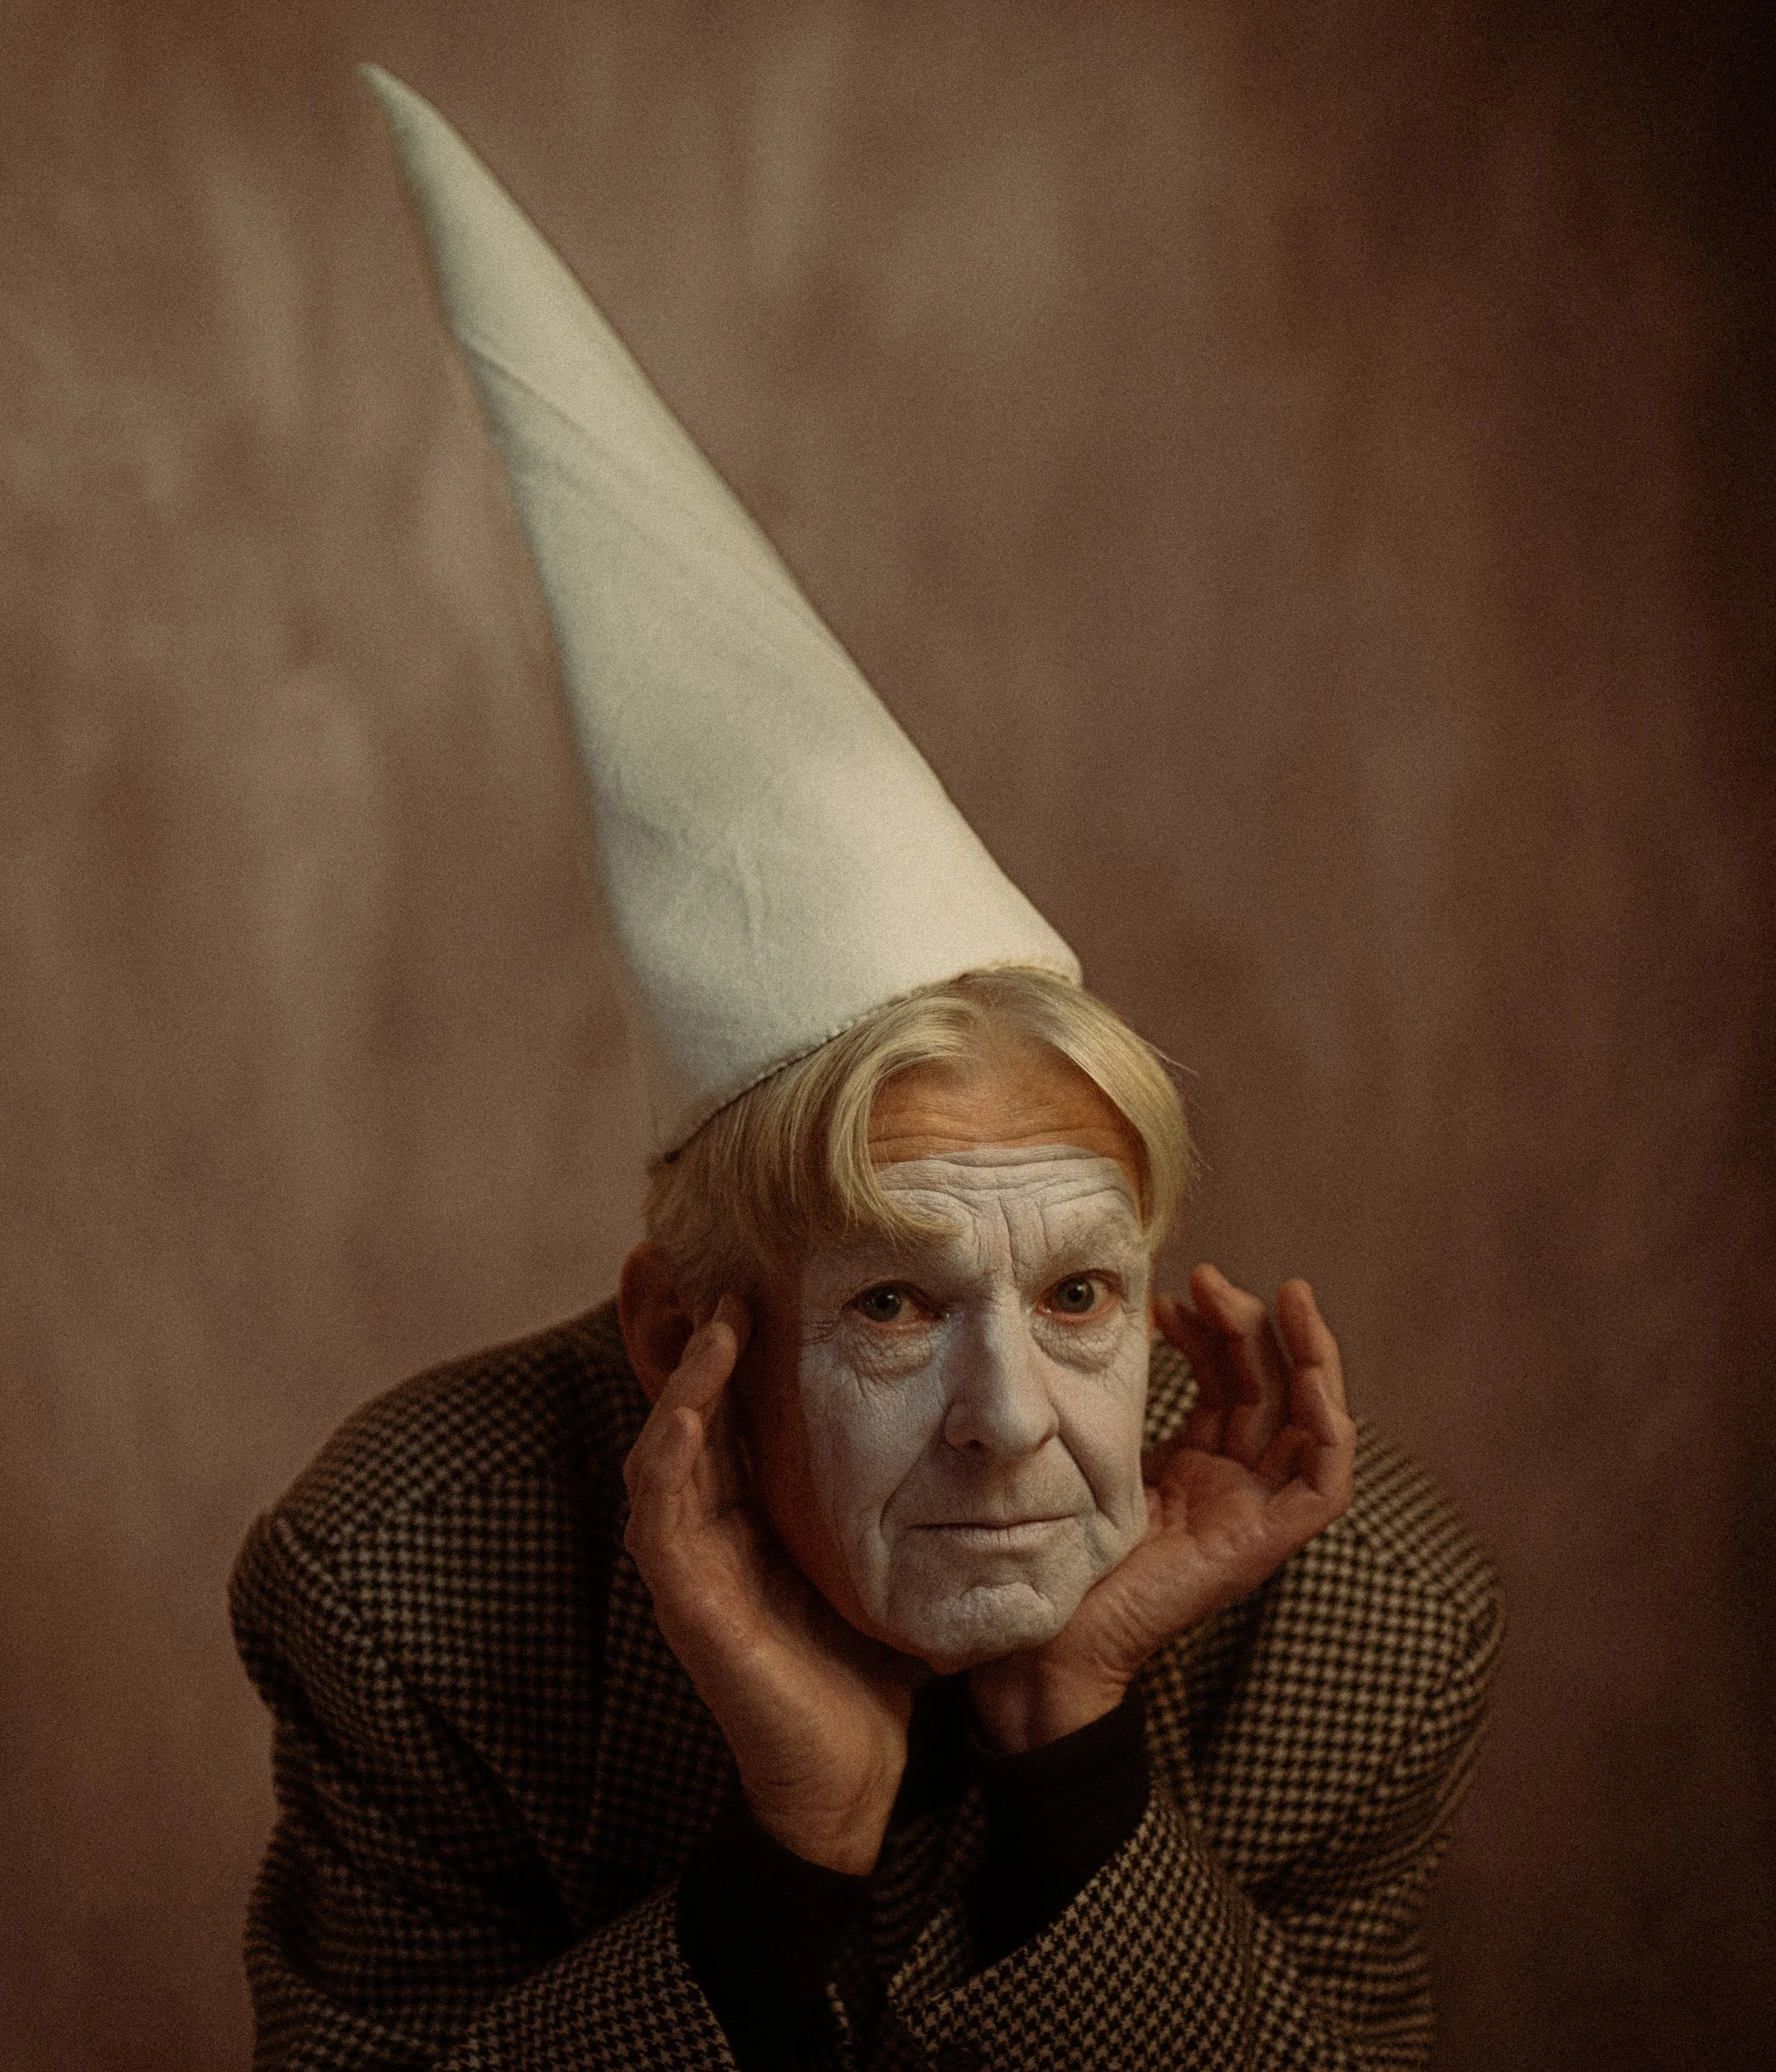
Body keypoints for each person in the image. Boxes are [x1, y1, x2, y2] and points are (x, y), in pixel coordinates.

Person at [229, 71, 1502, 2072]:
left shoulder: (1352, 1614)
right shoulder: (407, 1572)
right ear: (683, 1336)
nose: (1011, 1421)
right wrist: (786, 1869)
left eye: (1078, 1291)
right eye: (896, 1300)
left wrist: (1071, 1754)